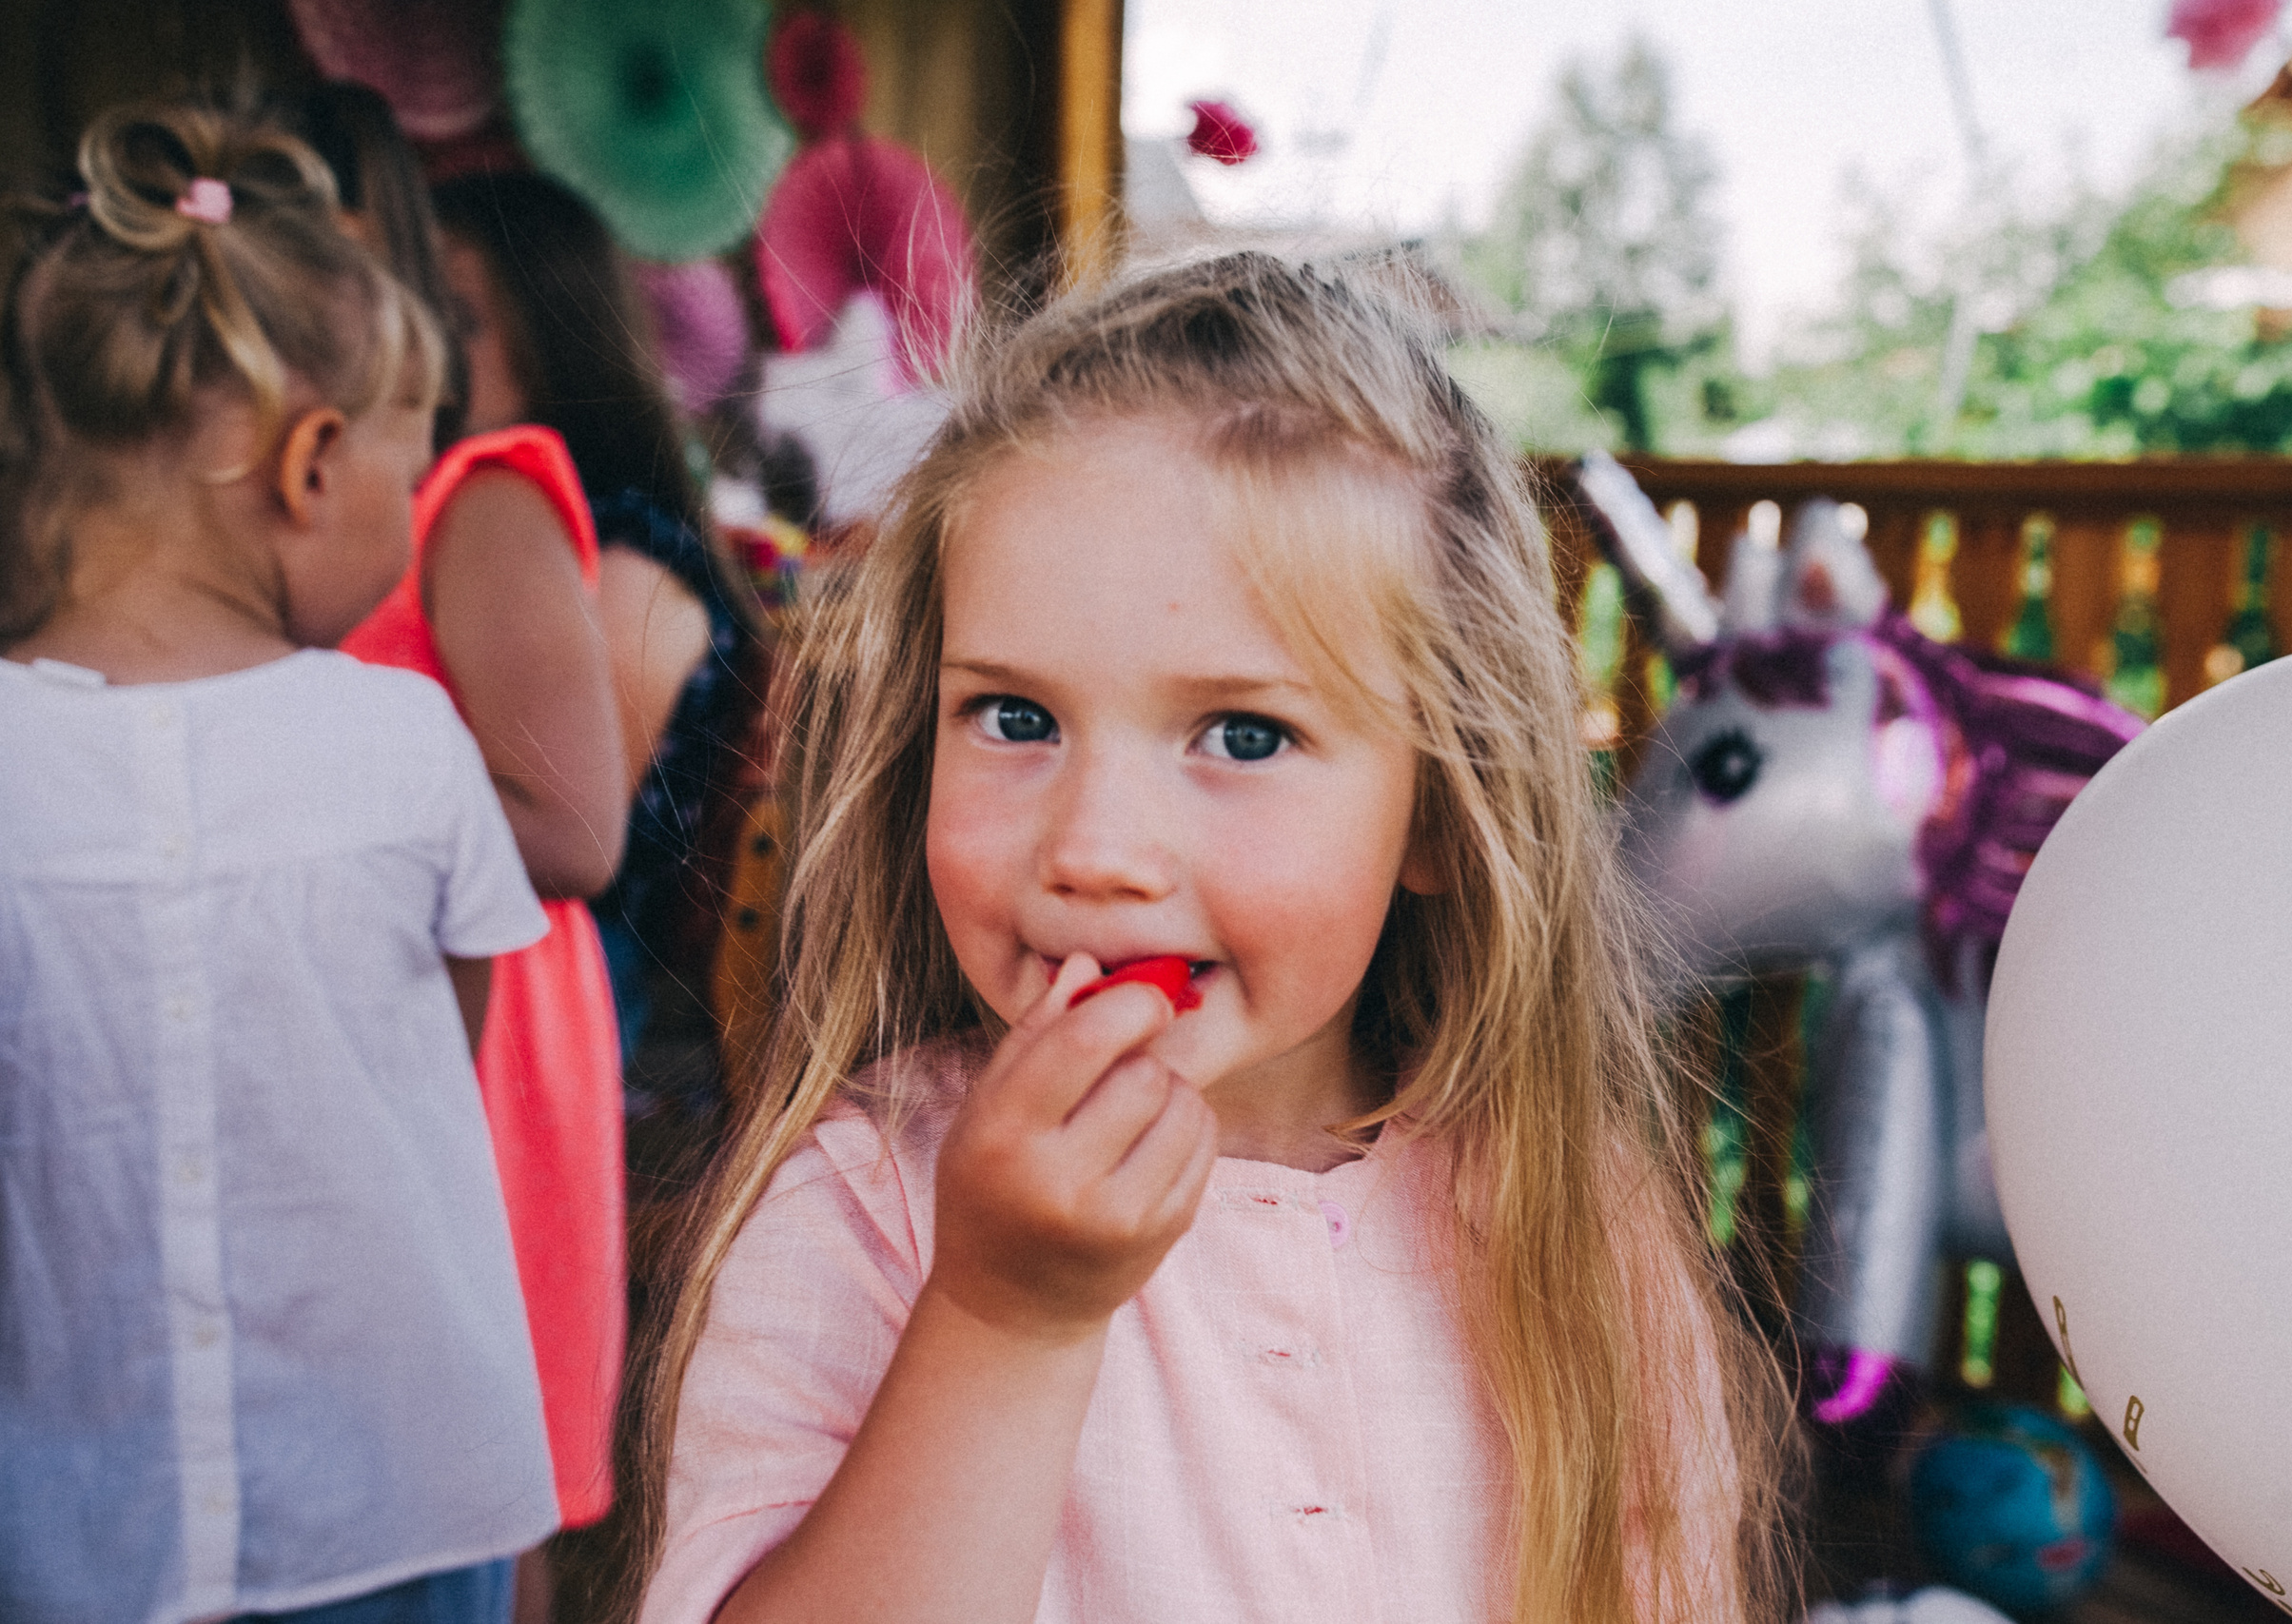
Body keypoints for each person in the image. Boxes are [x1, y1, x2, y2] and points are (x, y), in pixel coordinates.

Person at [630, 254, 1798, 1624]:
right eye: (1016, 718)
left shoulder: (1570, 1222)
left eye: (1243, 735)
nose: (1094, 848)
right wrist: (1004, 1318)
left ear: (1440, 806)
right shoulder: (862, 1206)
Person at [0, 103, 556, 1621]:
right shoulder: (406, 744)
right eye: (409, 464)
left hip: (69, 1523)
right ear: (313, 463)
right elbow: (439, 1064)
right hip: (396, 1502)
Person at [296, 93, 636, 1561]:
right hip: (349, 1016)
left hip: (481, 1026)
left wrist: (269, 792)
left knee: (482, 1491)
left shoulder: (475, 499)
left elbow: (575, 826)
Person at [426, 168, 759, 1113]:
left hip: (567, 989)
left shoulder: (628, 556)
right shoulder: (477, 519)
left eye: (460, 319)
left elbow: (566, 830)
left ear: (554, 336)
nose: (425, 349)